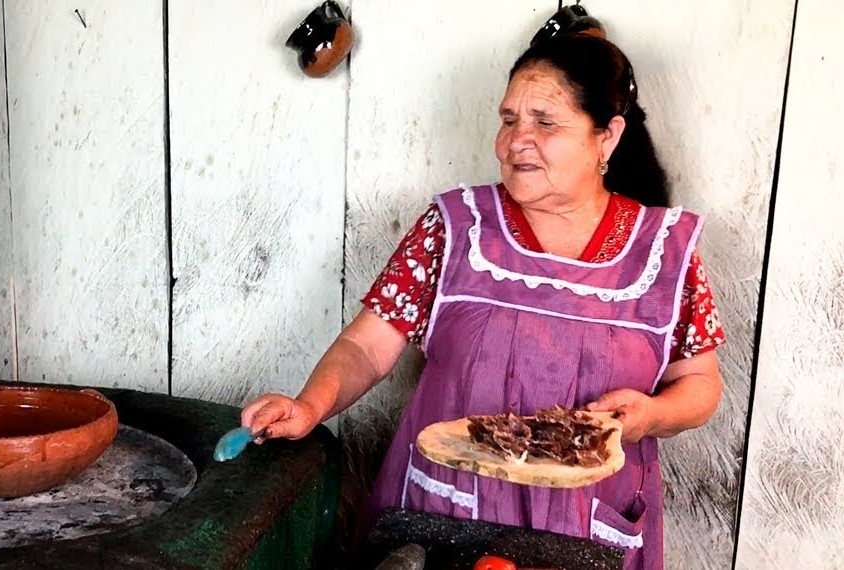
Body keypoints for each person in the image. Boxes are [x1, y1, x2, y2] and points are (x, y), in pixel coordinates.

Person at [240, 32, 724, 570]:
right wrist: (311, 405)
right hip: (445, 516)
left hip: (586, 530)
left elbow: (701, 385)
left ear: (606, 137)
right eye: (509, 119)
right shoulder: (454, 227)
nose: (517, 140)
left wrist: (652, 415)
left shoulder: (663, 252)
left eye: (545, 122)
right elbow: (368, 346)